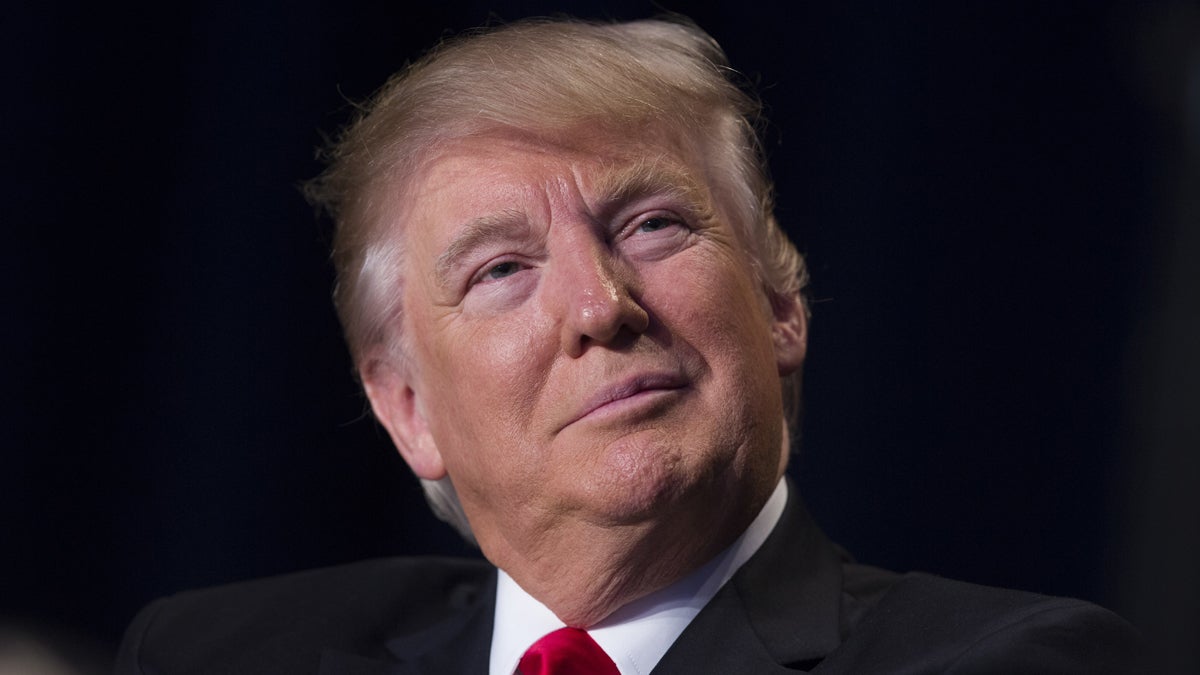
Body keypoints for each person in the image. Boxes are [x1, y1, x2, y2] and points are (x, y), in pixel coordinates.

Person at [116, 16, 1142, 674]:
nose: (598, 306)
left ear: (783, 308)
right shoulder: (215, 652)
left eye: (651, 225)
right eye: (501, 270)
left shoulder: (1011, 662)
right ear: (408, 410)